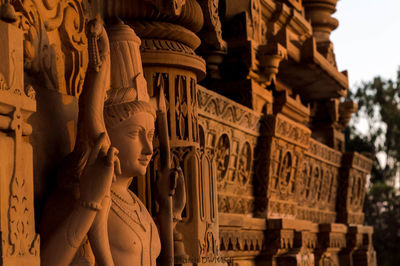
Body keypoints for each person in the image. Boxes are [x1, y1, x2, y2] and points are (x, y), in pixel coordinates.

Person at [40, 19, 185, 266]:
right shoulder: (74, 195)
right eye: (135, 133)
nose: (149, 149)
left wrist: (169, 214)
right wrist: (88, 205)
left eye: (150, 136)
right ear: (107, 133)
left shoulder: (137, 205)